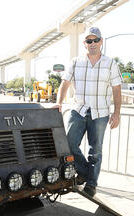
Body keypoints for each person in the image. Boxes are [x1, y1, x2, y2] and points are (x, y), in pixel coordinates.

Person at [53, 27, 122, 197]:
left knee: (95, 150)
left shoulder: (111, 63)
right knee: (68, 144)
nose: (92, 44)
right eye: (89, 41)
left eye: (95, 40)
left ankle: (91, 183)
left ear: (101, 41)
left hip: (100, 113)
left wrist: (117, 113)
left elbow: (117, 89)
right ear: (84, 43)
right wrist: (58, 103)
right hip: (79, 110)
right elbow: (65, 83)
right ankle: (84, 172)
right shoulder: (76, 62)